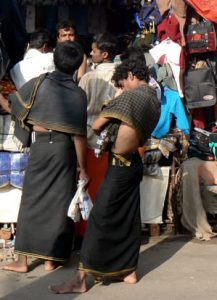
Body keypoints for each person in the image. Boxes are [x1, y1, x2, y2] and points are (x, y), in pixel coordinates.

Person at [48, 55, 160, 294]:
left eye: (122, 83)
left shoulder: (132, 96)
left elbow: (98, 125)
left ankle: (80, 279)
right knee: (129, 217)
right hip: (134, 163)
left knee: (100, 219)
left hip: (120, 166)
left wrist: (115, 99)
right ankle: (128, 271)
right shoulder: (153, 97)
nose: (121, 88)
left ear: (131, 76)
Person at [0, 41, 89, 272]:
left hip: (41, 148)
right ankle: (51, 259)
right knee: (60, 202)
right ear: (78, 66)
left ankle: (23, 261)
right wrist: (83, 168)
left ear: (54, 59)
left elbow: (15, 108)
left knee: (31, 202)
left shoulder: (38, 84)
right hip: (64, 151)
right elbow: (79, 136)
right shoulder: (78, 94)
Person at [76, 32, 118, 238]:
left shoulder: (89, 78)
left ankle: (88, 233)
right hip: (117, 141)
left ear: (105, 54)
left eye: (93, 51)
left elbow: (79, 108)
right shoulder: (123, 75)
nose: (91, 54)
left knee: (90, 188)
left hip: (91, 141)